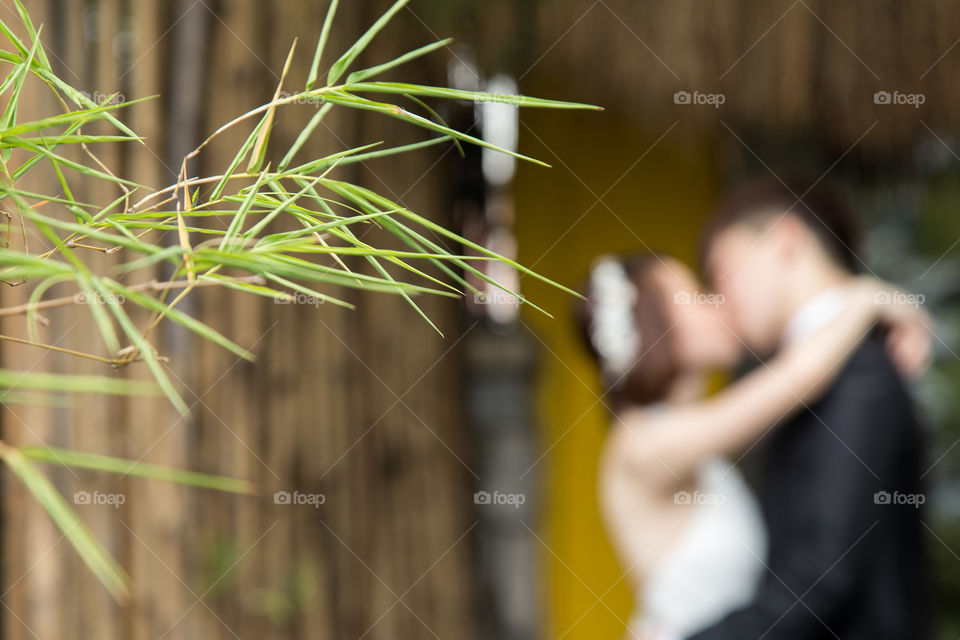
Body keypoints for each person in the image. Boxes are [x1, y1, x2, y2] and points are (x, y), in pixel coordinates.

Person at [575, 182, 931, 640]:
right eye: (697, 295)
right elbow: (801, 376)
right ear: (656, 324)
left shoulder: (697, 431)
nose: (719, 302)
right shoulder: (643, 443)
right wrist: (865, 298)